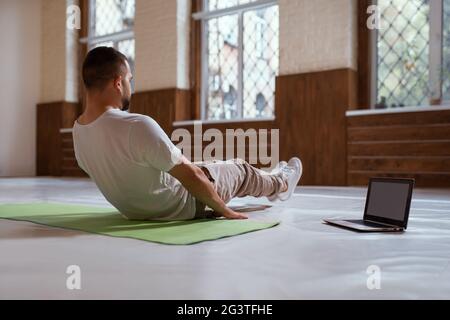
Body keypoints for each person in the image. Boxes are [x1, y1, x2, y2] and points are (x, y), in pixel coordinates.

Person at [73, 47, 302, 221]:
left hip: (136, 211)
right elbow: (192, 176)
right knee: (239, 169)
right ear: (118, 83)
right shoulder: (137, 125)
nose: (130, 86)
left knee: (204, 165)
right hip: (184, 205)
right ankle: (281, 185)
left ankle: (270, 179)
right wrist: (225, 210)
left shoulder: (79, 132)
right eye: (129, 80)